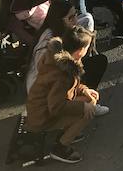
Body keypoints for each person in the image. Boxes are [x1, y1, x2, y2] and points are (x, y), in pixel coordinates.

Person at [25, 26, 99, 165]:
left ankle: (69, 132)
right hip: (42, 116)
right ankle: (61, 147)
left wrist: (84, 90)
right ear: (80, 51)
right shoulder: (61, 74)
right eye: (87, 47)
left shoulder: (61, 60)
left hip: (41, 108)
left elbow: (70, 89)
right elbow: (56, 107)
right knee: (88, 110)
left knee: (90, 99)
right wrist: (83, 106)